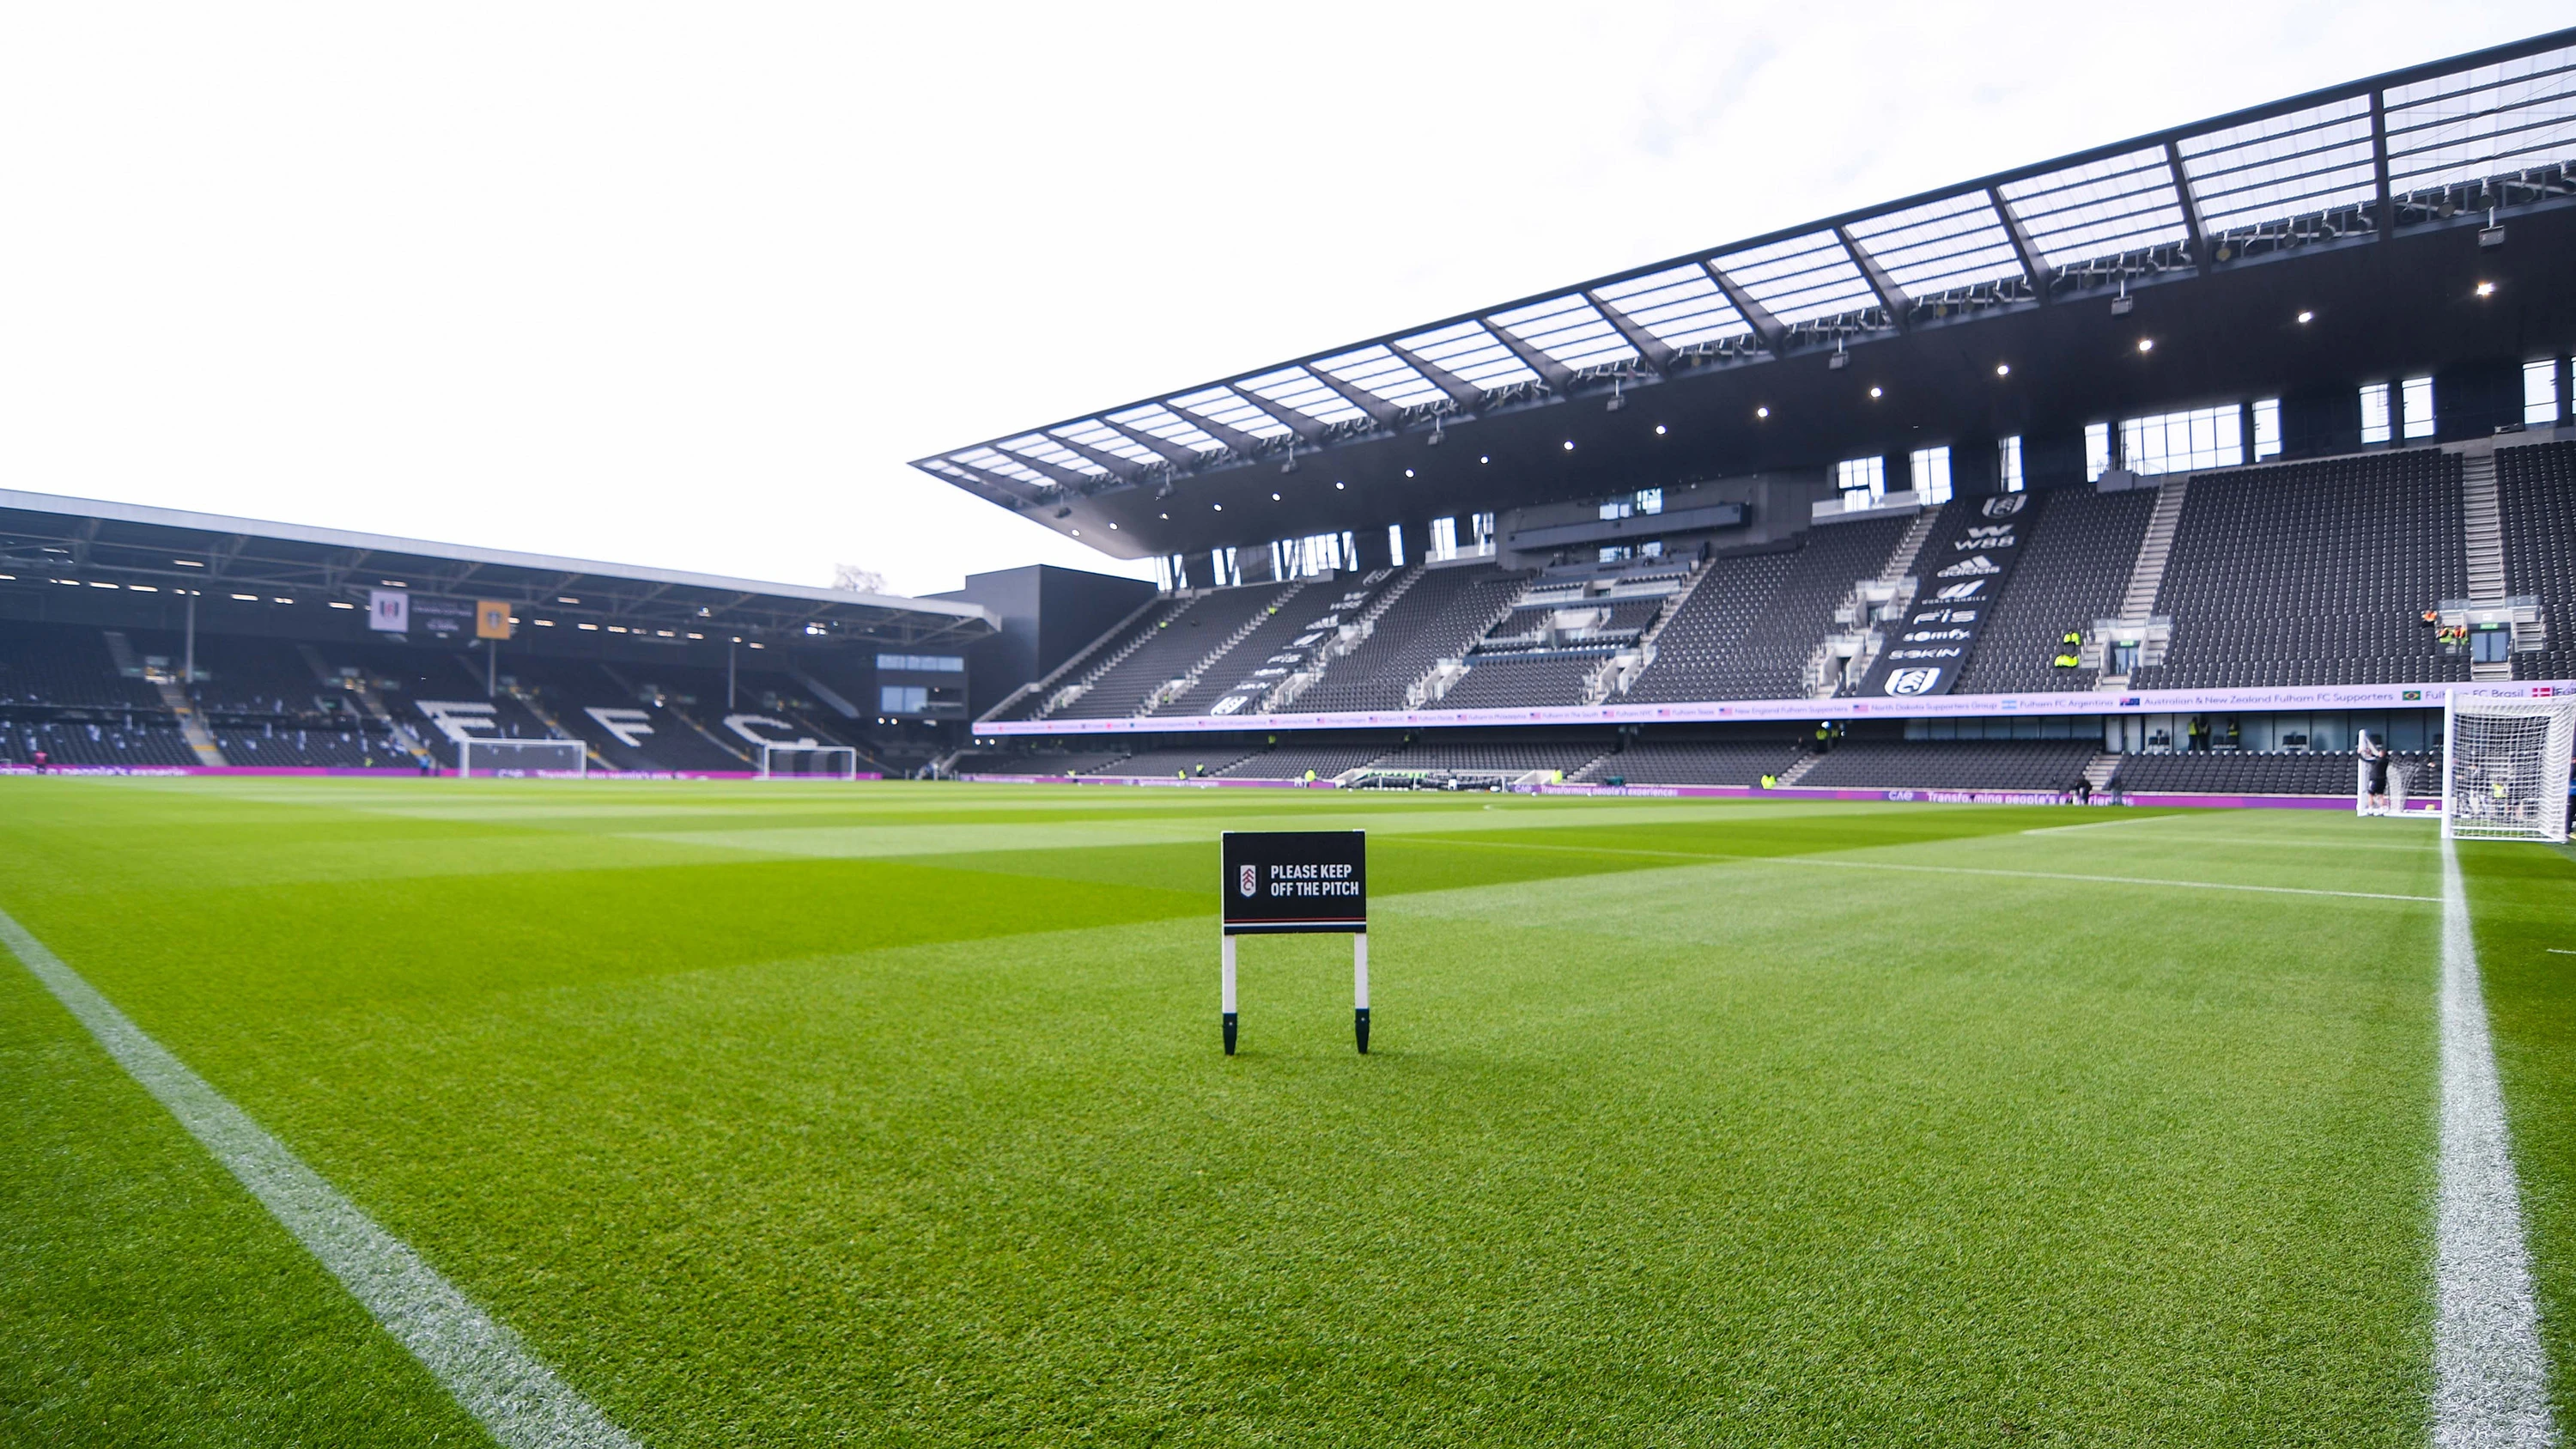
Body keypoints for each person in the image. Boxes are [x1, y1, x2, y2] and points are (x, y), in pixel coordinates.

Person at [2359, 730, 2391, 815]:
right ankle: (2381, 811)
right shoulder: (2385, 760)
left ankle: (2370, 810)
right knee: (2381, 795)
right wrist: (2370, 753)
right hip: (2383, 779)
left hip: (2375, 779)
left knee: (2370, 794)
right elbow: (2374, 757)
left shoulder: (2376, 760)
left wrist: (2359, 753)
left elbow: (2365, 760)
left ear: (2382, 754)